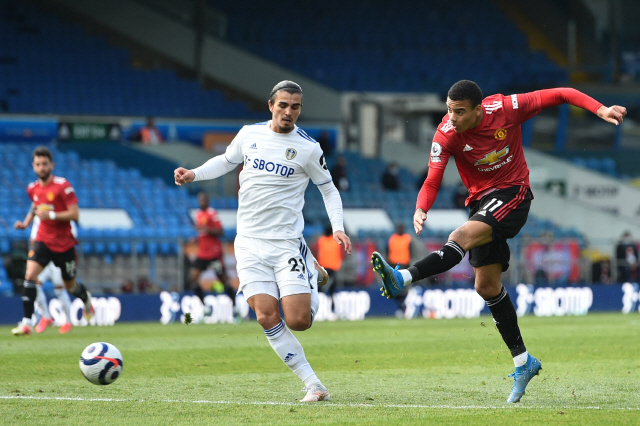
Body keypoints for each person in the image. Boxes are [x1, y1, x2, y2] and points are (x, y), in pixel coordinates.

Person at [371, 80, 626, 403]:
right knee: (487, 287)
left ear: (478, 110)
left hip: (513, 193)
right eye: (449, 110)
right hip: (481, 204)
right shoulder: (446, 133)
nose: (452, 118)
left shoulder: (507, 108)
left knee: (459, 237)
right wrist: (421, 208)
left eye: (459, 112)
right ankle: (523, 362)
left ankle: (402, 278)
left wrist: (600, 109)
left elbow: (561, 93)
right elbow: (432, 180)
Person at [174, 80, 351, 402]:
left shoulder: (308, 148)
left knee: (299, 321)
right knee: (265, 315)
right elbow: (226, 161)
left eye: (295, 107)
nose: (288, 112)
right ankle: (314, 384)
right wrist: (194, 174)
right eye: (283, 105)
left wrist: (337, 227)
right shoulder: (249, 134)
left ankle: (311, 273)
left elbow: (328, 188)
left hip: (286, 244)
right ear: (271, 105)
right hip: (248, 243)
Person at [12, 146, 94, 336]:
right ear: (33, 166)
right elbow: (35, 204)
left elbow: (75, 214)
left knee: (70, 286)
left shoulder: (63, 186)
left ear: (52, 165)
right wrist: (26, 223)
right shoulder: (32, 188)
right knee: (30, 275)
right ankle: (27, 323)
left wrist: (52, 215)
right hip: (43, 240)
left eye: (45, 164)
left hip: (64, 245)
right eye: (38, 164)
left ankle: (85, 298)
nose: (41, 167)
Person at [190, 191, 238, 318]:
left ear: (207, 201)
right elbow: (202, 234)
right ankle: (205, 307)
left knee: (223, 280)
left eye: (203, 200)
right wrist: (196, 239)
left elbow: (221, 231)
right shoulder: (198, 214)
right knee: (193, 278)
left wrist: (207, 229)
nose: (202, 202)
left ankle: (235, 306)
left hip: (214, 254)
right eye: (200, 200)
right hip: (202, 253)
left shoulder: (212, 214)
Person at [30, 215, 75, 334]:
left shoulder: (63, 216)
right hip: (43, 259)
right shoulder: (39, 217)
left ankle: (68, 321)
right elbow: (33, 239)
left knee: (60, 289)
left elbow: (72, 237)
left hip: (58, 258)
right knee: (34, 284)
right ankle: (46, 317)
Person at [386, 223, 412, 316]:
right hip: (394, 265)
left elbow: (411, 251)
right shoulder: (392, 238)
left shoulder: (407, 238)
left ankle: (402, 306)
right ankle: (401, 306)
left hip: (404, 265)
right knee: (395, 287)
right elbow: (388, 251)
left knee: (403, 287)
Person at [314, 224, 343, 298]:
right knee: (332, 286)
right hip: (333, 267)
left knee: (320, 284)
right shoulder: (336, 241)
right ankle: (331, 298)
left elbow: (314, 251)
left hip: (322, 266)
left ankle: (320, 297)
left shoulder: (321, 240)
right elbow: (342, 253)